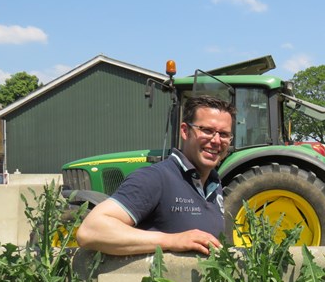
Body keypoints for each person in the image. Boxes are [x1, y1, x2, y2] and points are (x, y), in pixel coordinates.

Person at [76, 95, 236, 256]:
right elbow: (90, 231)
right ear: (185, 131)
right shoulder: (155, 178)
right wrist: (172, 240)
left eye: (223, 134)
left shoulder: (214, 184)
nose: (216, 140)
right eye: (207, 130)